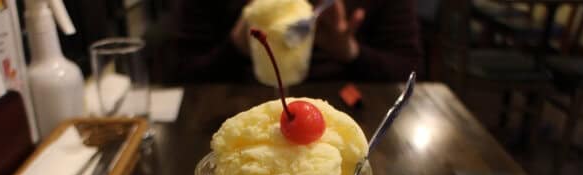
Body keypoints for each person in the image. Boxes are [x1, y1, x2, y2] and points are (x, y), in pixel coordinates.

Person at [170, 0, 421, 82]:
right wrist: (235, 47)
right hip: (233, 103)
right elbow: (180, 70)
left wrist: (350, 52)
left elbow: (408, 69)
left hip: (350, 104)